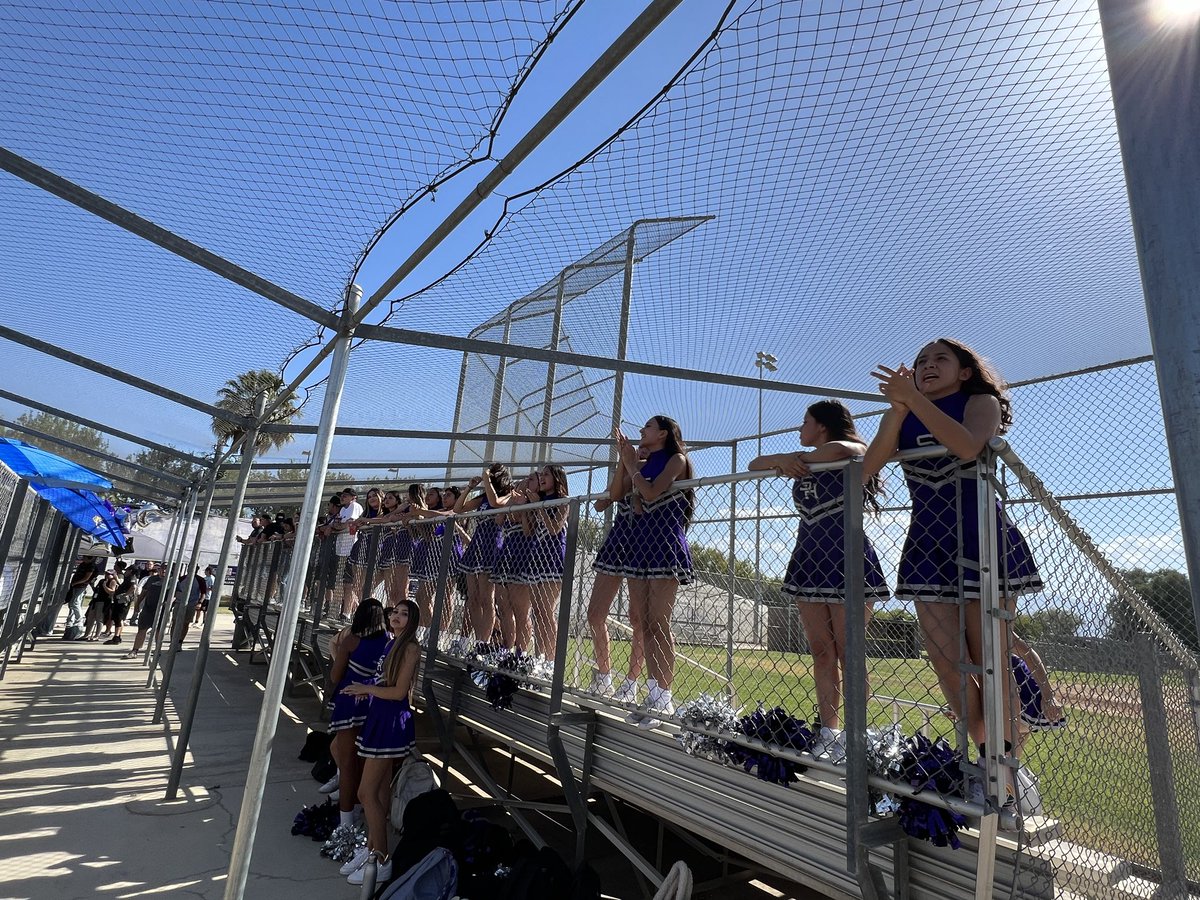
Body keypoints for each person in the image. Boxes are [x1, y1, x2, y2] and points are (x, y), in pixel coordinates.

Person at [864, 338, 1043, 802]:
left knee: (991, 659)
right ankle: (984, 761)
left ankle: (1007, 772)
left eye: (939, 359)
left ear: (965, 371)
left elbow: (967, 446)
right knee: (947, 664)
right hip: (928, 544)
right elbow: (868, 469)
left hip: (982, 539)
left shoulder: (978, 401)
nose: (926, 365)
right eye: (920, 361)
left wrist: (915, 399)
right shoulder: (904, 411)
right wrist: (900, 409)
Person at [749, 400, 889, 763]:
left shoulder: (847, 451)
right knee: (821, 651)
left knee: (849, 651)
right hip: (809, 558)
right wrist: (784, 458)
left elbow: (851, 448)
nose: (800, 428)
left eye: (805, 421)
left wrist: (791, 461)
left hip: (847, 558)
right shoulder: (806, 457)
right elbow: (754, 463)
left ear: (823, 425)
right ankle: (830, 731)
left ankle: (857, 734)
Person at [615, 416, 694, 728]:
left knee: (659, 622)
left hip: (665, 545)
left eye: (646, 427)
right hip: (641, 546)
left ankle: (664, 696)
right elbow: (626, 496)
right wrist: (627, 462)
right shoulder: (642, 462)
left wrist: (633, 467)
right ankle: (652, 693)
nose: (640, 431)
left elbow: (650, 494)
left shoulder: (676, 459)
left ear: (662, 433)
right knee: (643, 623)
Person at [341, 597, 422, 885]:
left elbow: (400, 693)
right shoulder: (391, 642)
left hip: (391, 722)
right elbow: (384, 682)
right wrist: (368, 690)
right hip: (379, 718)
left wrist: (368, 688)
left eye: (404, 614)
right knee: (380, 793)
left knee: (366, 793)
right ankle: (373, 849)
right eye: (395, 612)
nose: (397, 617)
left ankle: (383, 859)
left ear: (412, 621)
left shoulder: (410, 647)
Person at [325, 598, 389, 865]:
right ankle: (368, 817)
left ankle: (346, 823)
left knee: (347, 762)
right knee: (367, 761)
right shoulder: (388, 640)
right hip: (375, 702)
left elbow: (335, 676)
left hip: (350, 701)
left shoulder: (351, 641)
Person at [588, 448, 650, 702]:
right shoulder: (627, 468)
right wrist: (623, 465)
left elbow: (638, 505)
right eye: (638, 447)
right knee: (595, 614)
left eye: (646, 446)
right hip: (617, 540)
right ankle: (604, 677)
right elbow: (601, 504)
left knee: (637, 618)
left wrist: (631, 466)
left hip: (642, 540)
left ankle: (631, 684)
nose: (640, 450)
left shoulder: (652, 467)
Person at [455, 466, 511, 644]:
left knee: (487, 598)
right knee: (473, 598)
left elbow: (496, 503)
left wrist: (486, 478)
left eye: (493, 473)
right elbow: (459, 509)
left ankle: (484, 641)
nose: (488, 475)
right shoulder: (484, 496)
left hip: (492, 544)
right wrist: (469, 488)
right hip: (477, 544)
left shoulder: (509, 493)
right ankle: (477, 639)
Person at [526, 465, 568, 660]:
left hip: (553, 559)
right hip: (536, 558)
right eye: (540, 475)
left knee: (546, 610)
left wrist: (539, 507)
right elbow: (528, 531)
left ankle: (551, 659)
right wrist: (528, 506)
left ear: (557, 478)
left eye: (546, 475)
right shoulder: (538, 500)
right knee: (536, 612)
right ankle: (539, 656)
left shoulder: (563, 501)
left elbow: (554, 529)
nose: (541, 478)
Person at [376, 485, 422, 607]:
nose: (407, 496)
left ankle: (403, 614)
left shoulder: (413, 508)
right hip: (396, 550)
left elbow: (416, 522)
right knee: (393, 591)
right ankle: (393, 613)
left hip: (408, 548)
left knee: (402, 589)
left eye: (390, 498)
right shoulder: (401, 509)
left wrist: (404, 515)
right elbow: (386, 518)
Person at [331, 488, 364, 620]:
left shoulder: (354, 506)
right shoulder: (343, 509)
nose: (342, 497)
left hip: (352, 548)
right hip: (342, 549)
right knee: (344, 582)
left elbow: (350, 522)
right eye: (342, 495)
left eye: (346, 495)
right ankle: (346, 609)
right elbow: (337, 524)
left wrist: (340, 525)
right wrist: (339, 525)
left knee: (351, 582)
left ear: (353, 497)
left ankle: (347, 612)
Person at [122, 563, 166, 659]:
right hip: (148, 608)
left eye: (167, 569)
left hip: (162, 610)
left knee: (159, 631)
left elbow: (176, 595)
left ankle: (157, 650)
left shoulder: (173, 581)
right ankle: (135, 651)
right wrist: (137, 604)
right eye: (162, 569)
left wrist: (169, 602)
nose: (164, 571)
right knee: (142, 629)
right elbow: (143, 593)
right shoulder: (151, 579)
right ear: (159, 569)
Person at [105, 568, 139, 645]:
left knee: (119, 618)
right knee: (120, 619)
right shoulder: (127, 578)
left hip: (123, 601)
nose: (125, 572)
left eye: (127, 570)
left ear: (131, 571)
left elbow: (133, 586)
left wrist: (125, 594)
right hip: (119, 600)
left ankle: (116, 637)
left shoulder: (132, 578)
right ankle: (117, 636)